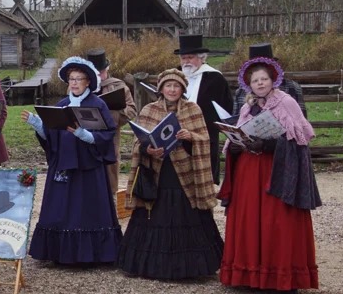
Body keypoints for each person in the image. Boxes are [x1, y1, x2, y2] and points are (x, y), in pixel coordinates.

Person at [218, 56, 321, 294]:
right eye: (255, 80)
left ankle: (286, 281)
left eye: (264, 79)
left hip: (278, 172)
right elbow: (240, 133)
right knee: (251, 220)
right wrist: (234, 147)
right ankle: (252, 275)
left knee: (279, 223)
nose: (260, 83)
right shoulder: (247, 107)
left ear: (273, 80)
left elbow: (301, 137)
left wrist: (270, 144)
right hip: (249, 173)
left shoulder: (286, 102)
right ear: (248, 84)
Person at [118, 69, 224, 279]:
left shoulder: (193, 109)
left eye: (176, 86)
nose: (172, 90)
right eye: (168, 86)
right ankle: (150, 264)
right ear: (161, 89)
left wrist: (189, 136)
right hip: (159, 170)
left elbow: (205, 139)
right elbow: (138, 140)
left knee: (186, 213)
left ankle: (192, 266)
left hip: (184, 173)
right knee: (155, 212)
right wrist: (147, 149)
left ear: (182, 89)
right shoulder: (150, 109)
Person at [20, 57, 122, 265]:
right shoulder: (62, 104)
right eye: (71, 79)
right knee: (61, 207)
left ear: (88, 82)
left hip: (88, 167)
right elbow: (53, 135)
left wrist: (87, 136)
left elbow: (109, 132)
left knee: (85, 208)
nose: (74, 83)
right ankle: (58, 252)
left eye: (79, 79)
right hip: (63, 164)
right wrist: (38, 125)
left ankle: (92, 254)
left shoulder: (97, 104)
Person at [175, 34, 233, 184]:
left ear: (202, 58)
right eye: (183, 58)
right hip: (177, 138)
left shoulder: (215, 79)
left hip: (205, 137)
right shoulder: (174, 77)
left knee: (204, 181)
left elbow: (226, 108)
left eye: (190, 57)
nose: (186, 61)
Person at [86, 48, 137, 203]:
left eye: (100, 72)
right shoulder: (80, 85)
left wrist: (109, 116)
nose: (98, 76)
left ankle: (110, 202)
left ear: (106, 69)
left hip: (110, 138)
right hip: (84, 136)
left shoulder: (118, 86)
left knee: (109, 170)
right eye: (93, 72)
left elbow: (132, 110)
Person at [232, 43, 307, 119]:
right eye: (256, 67)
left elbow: (302, 119)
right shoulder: (241, 92)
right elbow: (235, 120)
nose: (260, 82)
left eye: (265, 66)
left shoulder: (292, 87)